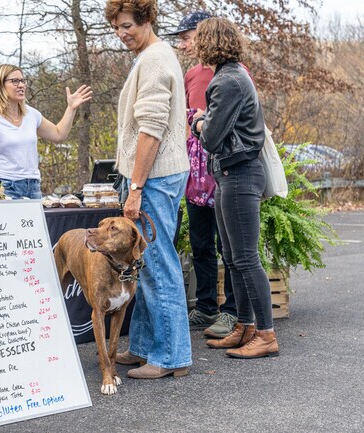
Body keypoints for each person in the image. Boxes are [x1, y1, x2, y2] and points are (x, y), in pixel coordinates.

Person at [105, 0, 192, 378]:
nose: (122, 33)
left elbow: (151, 128)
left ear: (147, 19)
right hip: (159, 175)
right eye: (116, 28)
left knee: (158, 264)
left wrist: (136, 186)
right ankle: (144, 347)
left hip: (154, 177)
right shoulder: (154, 56)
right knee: (146, 264)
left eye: (127, 26)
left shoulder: (156, 59)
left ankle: (170, 358)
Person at [191, 17, 279, 358]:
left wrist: (198, 121)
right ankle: (244, 326)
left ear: (209, 43)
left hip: (240, 172)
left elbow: (212, 137)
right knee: (232, 256)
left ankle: (267, 335)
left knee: (245, 257)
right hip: (232, 172)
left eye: (198, 41)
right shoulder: (231, 75)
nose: (194, 47)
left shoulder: (226, 81)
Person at [165, 11, 238, 338]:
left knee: (230, 246)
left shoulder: (232, 74)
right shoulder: (191, 74)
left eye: (186, 36)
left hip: (224, 168)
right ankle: (207, 306)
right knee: (200, 243)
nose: (182, 44)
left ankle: (234, 311)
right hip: (194, 172)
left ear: (205, 33)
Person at [0, 64, 92, 199]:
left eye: (22, 81)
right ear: (0, 85)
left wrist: (71, 108)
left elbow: (58, 134)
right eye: (15, 81)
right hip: (4, 187)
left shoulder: (32, 114)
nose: (21, 85)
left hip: (33, 187)